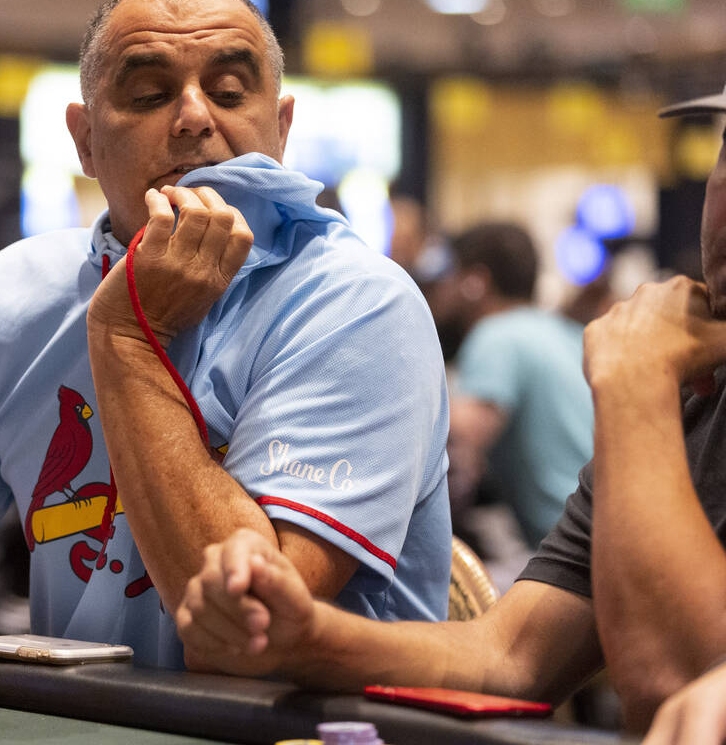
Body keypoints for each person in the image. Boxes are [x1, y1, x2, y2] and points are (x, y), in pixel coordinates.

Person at [0, 0, 449, 718]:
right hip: (88, 724)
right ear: (85, 141)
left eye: (228, 92)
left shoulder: (358, 306)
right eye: (150, 94)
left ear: (280, 130)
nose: (192, 117)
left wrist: (124, 336)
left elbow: (245, 633)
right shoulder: (4, 299)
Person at [175, 83, 726, 734]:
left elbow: (677, 690)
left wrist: (635, 385)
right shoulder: (694, 398)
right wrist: (301, 637)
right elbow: (511, 656)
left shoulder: (645, 373)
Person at [435, 222, 592, 548]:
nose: (445, 287)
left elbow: (457, 445)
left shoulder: (496, 334)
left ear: (475, 281)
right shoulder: (567, 332)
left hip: (574, 550)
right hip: (605, 531)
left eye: (453, 274)